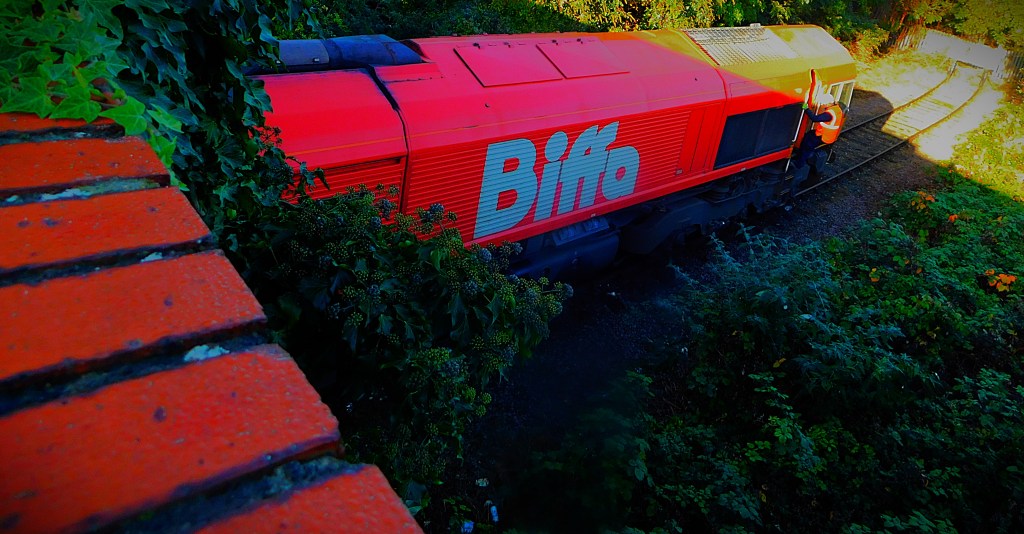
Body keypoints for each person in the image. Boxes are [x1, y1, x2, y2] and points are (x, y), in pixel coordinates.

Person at [794, 93, 844, 169]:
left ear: (828, 103)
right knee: (808, 135)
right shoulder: (837, 109)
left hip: (823, 137)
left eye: (824, 104)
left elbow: (815, 118)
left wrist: (806, 109)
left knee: (807, 145)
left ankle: (799, 164)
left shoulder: (829, 114)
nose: (823, 105)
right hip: (828, 135)